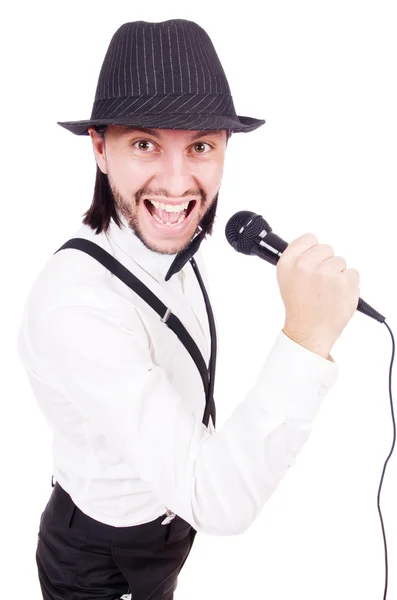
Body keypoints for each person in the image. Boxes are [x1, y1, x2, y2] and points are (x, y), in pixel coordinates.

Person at [17, 18, 360, 600]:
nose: (178, 185)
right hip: (102, 562)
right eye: (144, 144)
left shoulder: (161, 239)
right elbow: (217, 501)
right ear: (99, 148)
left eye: (200, 146)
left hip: (163, 532)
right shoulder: (77, 308)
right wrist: (305, 340)